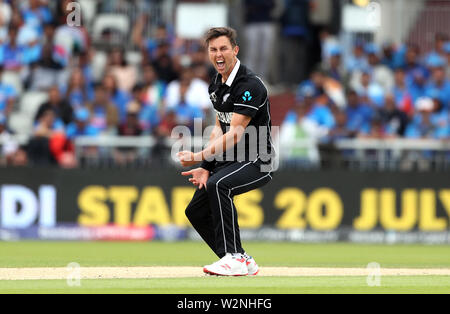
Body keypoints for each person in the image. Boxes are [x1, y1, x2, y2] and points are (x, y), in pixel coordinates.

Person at [177, 27, 275, 277]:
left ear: (235, 50)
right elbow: (219, 127)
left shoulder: (249, 84)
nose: (218, 54)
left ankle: (233, 257)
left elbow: (236, 133)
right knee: (195, 211)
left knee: (220, 185)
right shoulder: (216, 84)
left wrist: (199, 156)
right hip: (232, 159)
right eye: (213, 49)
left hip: (258, 160)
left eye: (223, 48)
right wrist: (206, 166)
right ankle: (239, 257)